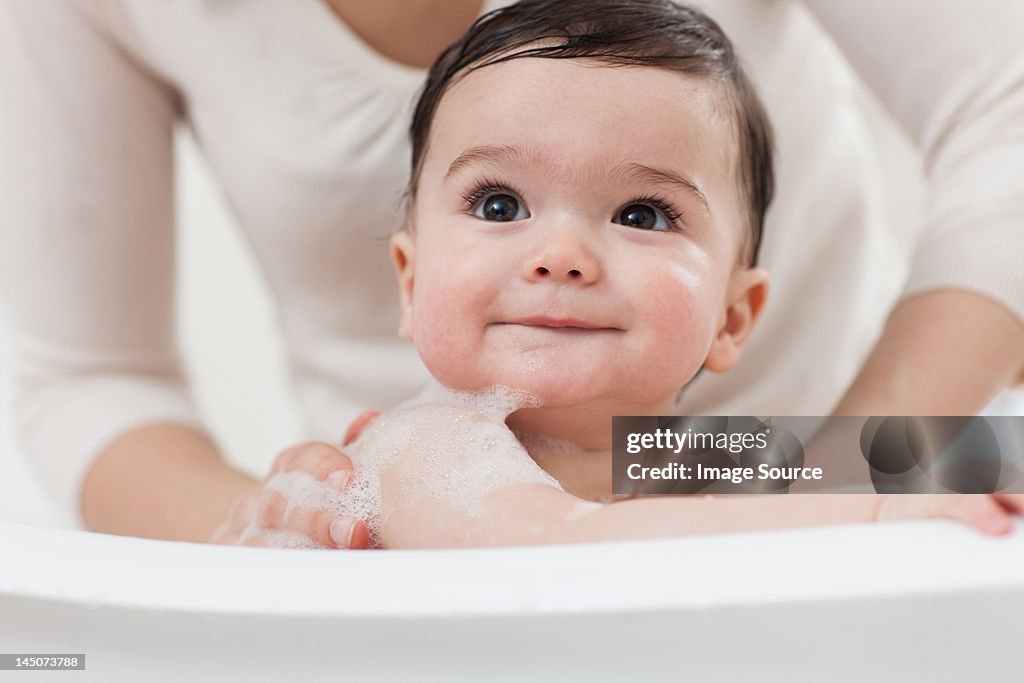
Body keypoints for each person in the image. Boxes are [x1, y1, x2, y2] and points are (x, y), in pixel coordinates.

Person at [1, 0, 1022, 546]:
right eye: (497, 206)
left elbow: (945, 459)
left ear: (733, 316)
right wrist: (882, 509)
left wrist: (941, 475)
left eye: (641, 213)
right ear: (406, 283)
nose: (560, 252)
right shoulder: (422, 454)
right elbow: (570, 544)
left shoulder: (692, 454)